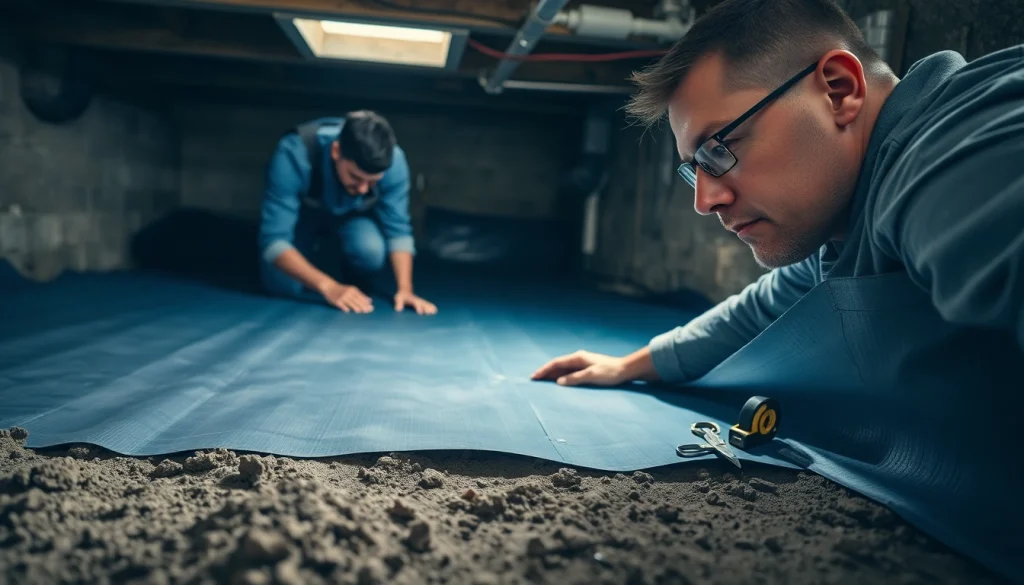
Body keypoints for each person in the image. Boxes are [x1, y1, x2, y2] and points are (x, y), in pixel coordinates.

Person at [532, 0, 1023, 387]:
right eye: (694, 169)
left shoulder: (948, 154)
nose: (704, 201)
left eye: (719, 148)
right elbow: (765, 306)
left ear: (838, 89)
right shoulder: (846, 220)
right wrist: (631, 365)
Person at [258, 110, 437, 315]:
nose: (362, 189)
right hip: (302, 219)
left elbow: (399, 231)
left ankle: (342, 268)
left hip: (351, 219)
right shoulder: (294, 152)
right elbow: (273, 240)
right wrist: (329, 287)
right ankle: (318, 267)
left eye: (372, 182)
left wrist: (406, 290)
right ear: (336, 152)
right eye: (355, 177)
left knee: (370, 251)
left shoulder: (394, 163)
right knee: (281, 286)